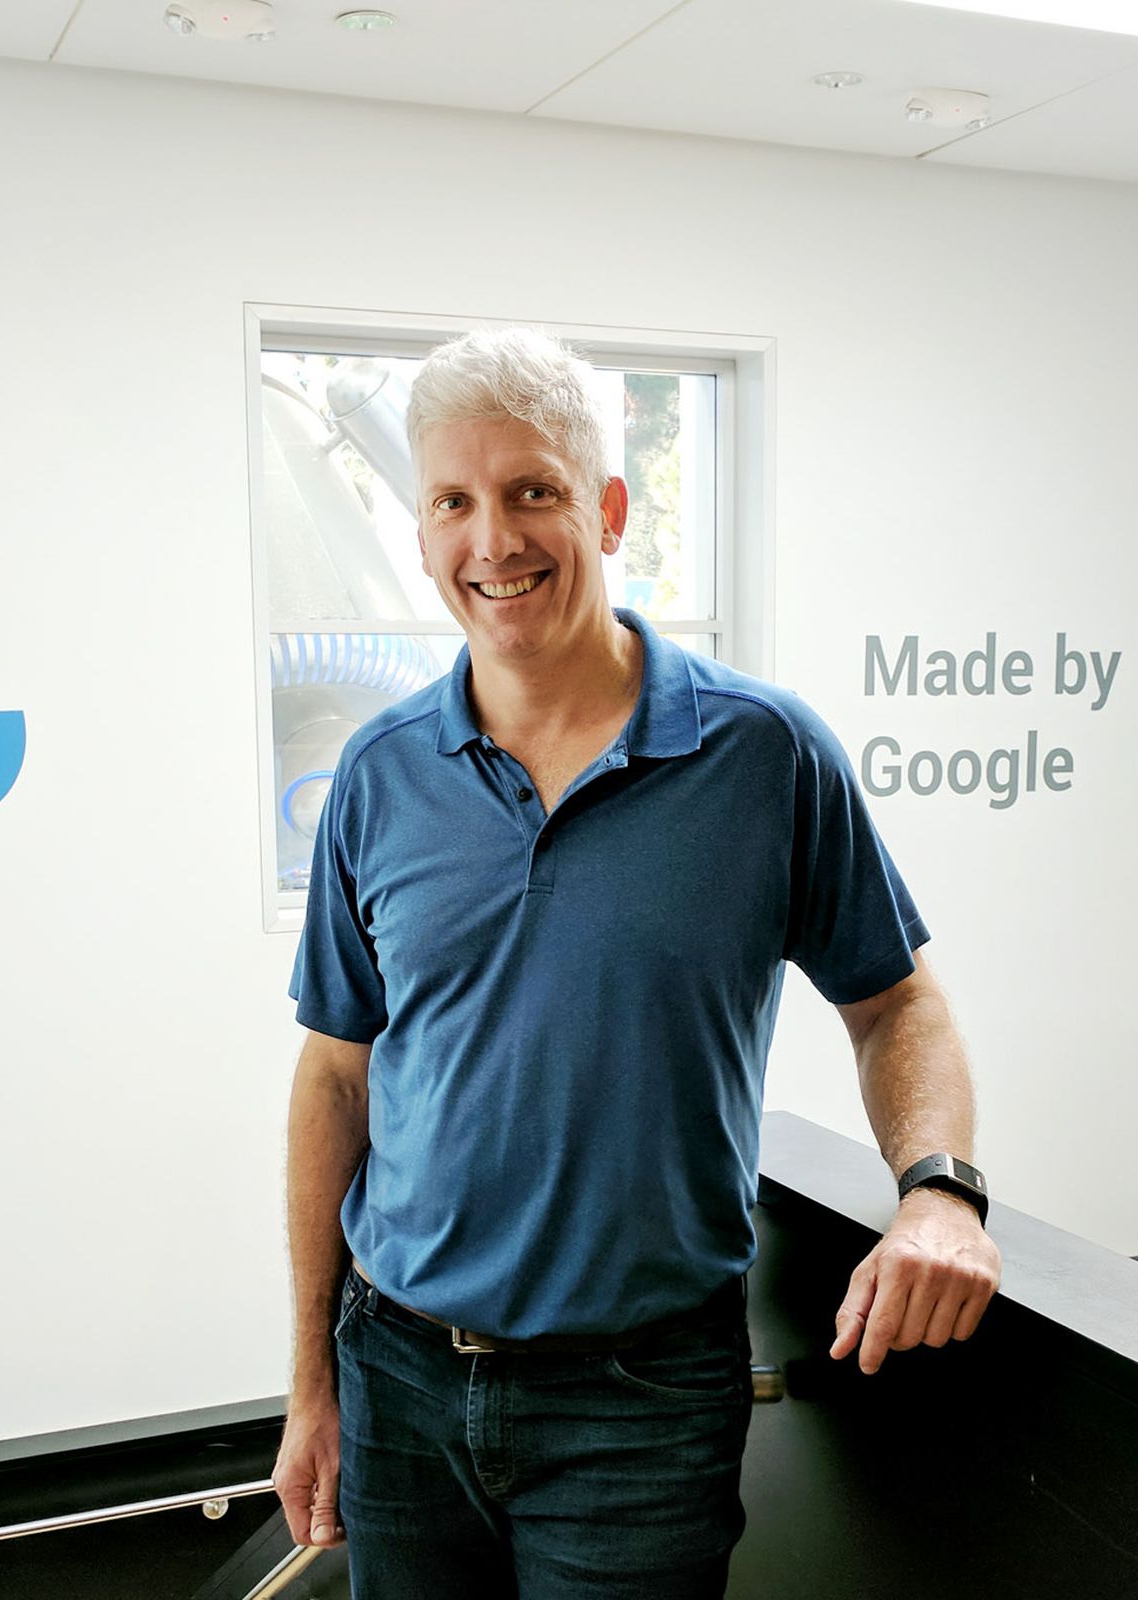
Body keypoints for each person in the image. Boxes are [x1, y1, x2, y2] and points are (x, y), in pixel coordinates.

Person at [274, 326, 997, 1598]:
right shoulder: (381, 776)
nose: (492, 542)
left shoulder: (765, 756)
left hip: (640, 1401)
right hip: (399, 1380)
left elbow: (898, 1004)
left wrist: (938, 1191)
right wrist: (310, 1383)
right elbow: (336, 1079)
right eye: (453, 501)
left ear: (607, 508)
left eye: (532, 492)